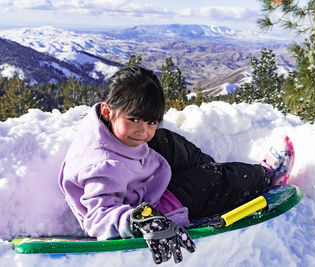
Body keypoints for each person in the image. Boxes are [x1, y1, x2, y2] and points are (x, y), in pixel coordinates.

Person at [58, 66, 295, 264]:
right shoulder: (103, 167)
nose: (143, 130)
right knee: (210, 182)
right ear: (109, 111)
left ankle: (216, 180)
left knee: (165, 140)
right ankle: (264, 176)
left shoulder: (104, 125)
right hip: (150, 212)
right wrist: (138, 220)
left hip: (139, 177)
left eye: (150, 121)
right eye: (134, 119)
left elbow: (143, 131)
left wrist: (140, 126)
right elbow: (99, 217)